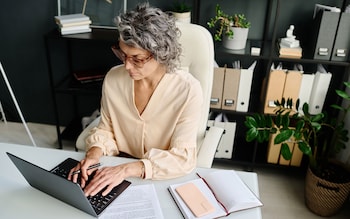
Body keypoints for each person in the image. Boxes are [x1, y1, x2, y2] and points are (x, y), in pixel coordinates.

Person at [68, 2, 203, 197]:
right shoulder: (114, 79)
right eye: (123, 55)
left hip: (159, 177)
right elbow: (106, 128)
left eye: (137, 59)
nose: (127, 66)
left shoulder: (188, 90)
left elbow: (183, 158)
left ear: (161, 53)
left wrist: (127, 170)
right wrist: (94, 153)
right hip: (113, 169)